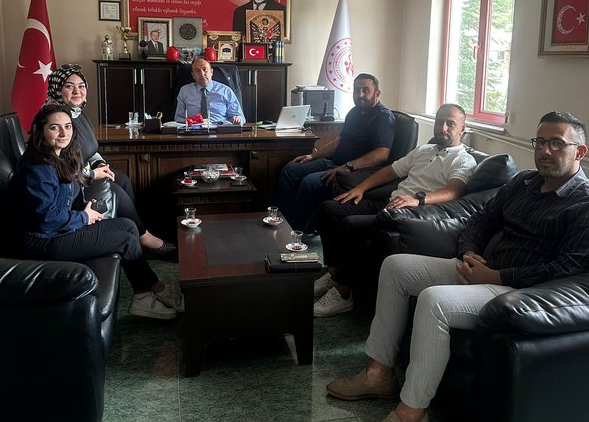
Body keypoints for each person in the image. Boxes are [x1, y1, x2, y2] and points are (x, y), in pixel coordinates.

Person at [326, 111, 589, 422]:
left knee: (434, 301)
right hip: (478, 268)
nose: (544, 151)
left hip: (517, 292)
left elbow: (567, 268)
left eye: (556, 143)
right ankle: (379, 373)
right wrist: (468, 253)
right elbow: (480, 221)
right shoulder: (523, 182)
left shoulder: (583, 202)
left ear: (579, 151)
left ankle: (411, 417)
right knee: (396, 266)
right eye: (540, 142)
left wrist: (495, 277)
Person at [14, 105, 185, 320]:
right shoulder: (38, 168)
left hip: (59, 230)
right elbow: (46, 219)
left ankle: (150, 290)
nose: (64, 133)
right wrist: (84, 217)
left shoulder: (58, 156)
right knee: (125, 240)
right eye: (54, 127)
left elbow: (67, 184)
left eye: (68, 126)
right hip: (44, 241)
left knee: (128, 226)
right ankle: (147, 294)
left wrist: (85, 196)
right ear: (41, 131)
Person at [314, 104, 476, 317]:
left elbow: (453, 191)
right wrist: (360, 188)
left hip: (410, 215)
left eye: (450, 124)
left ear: (462, 129)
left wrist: (418, 199)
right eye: (439, 122)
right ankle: (335, 272)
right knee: (328, 209)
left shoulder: (463, 159)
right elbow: (390, 171)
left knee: (351, 225)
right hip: (388, 203)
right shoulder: (423, 150)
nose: (442, 128)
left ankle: (344, 293)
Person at [47, 64, 175, 256]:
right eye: (69, 86)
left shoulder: (77, 113)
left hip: (84, 173)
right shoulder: (56, 120)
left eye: (81, 86)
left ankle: (135, 232)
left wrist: (100, 164)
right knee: (115, 189)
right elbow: (60, 168)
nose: (77, 91)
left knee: (122, 180)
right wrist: (93, 173)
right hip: (71, 186)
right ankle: (144, 238)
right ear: (57, 89)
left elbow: (91, 150)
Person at [275, 74, 396, 233]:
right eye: (357, 90)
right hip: (334, 163)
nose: (360, 95)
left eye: (365, 90)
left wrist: (348, 166)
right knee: (289, 170)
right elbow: (338, 142)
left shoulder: (383, 117)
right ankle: (281, 221)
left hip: (355, 172)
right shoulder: (354, 112)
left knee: (310, 182)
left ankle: (294, 231)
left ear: (377, 93)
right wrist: (312, 156)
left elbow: (381, 154)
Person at [174, 57, 245, 125]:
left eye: (205, 69)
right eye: (197, 71)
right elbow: (178, 118)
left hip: (220, 129)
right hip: (194, 129)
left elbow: (240, 117)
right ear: (193, 75)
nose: (202, 74)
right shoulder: (185, 91)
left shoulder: (226, 91)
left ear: (211, 72)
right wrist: (191, 122)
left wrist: (237, 119)